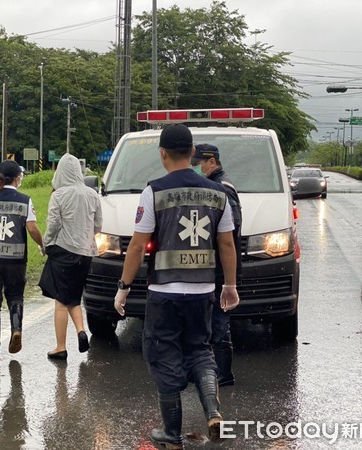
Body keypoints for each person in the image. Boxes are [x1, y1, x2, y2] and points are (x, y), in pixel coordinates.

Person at [114, 124, 239, 447]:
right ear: (194, 154)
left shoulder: (153, 191)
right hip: (202, 293)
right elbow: (227, 245)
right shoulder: (218, 192)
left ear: (162, 154)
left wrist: (124, 286)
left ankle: (171, 432)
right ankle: (212, 409)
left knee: (163, 352)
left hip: (164, 294)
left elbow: (138, 247)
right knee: (200, 350)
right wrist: (230, 286)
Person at [0, 160, 44, 359]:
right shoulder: (25, 200)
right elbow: (31, 228)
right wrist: (42, 244)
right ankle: (16, 330)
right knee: (15, 297)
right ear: (16, 178)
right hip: (16, 260)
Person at [39, 153, 102, 360]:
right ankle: (81, 331)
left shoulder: (59, 195)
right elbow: (98, 225)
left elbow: (54, 225)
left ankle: (60, 347)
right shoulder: (92, 194)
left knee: (60, 300)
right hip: (86, 254)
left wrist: (46, 243)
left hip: (64, 251)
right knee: (73, 297)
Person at [191, 143, 242, 387]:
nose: (196, 168)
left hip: (221, 267)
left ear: (212, 162)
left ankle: (223, 375)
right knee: (214, 320)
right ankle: (217, 372)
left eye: (198, 163)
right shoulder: (217, 185)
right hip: (215, 265)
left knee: (219, 321)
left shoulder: (222, 188)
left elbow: (228, 233)